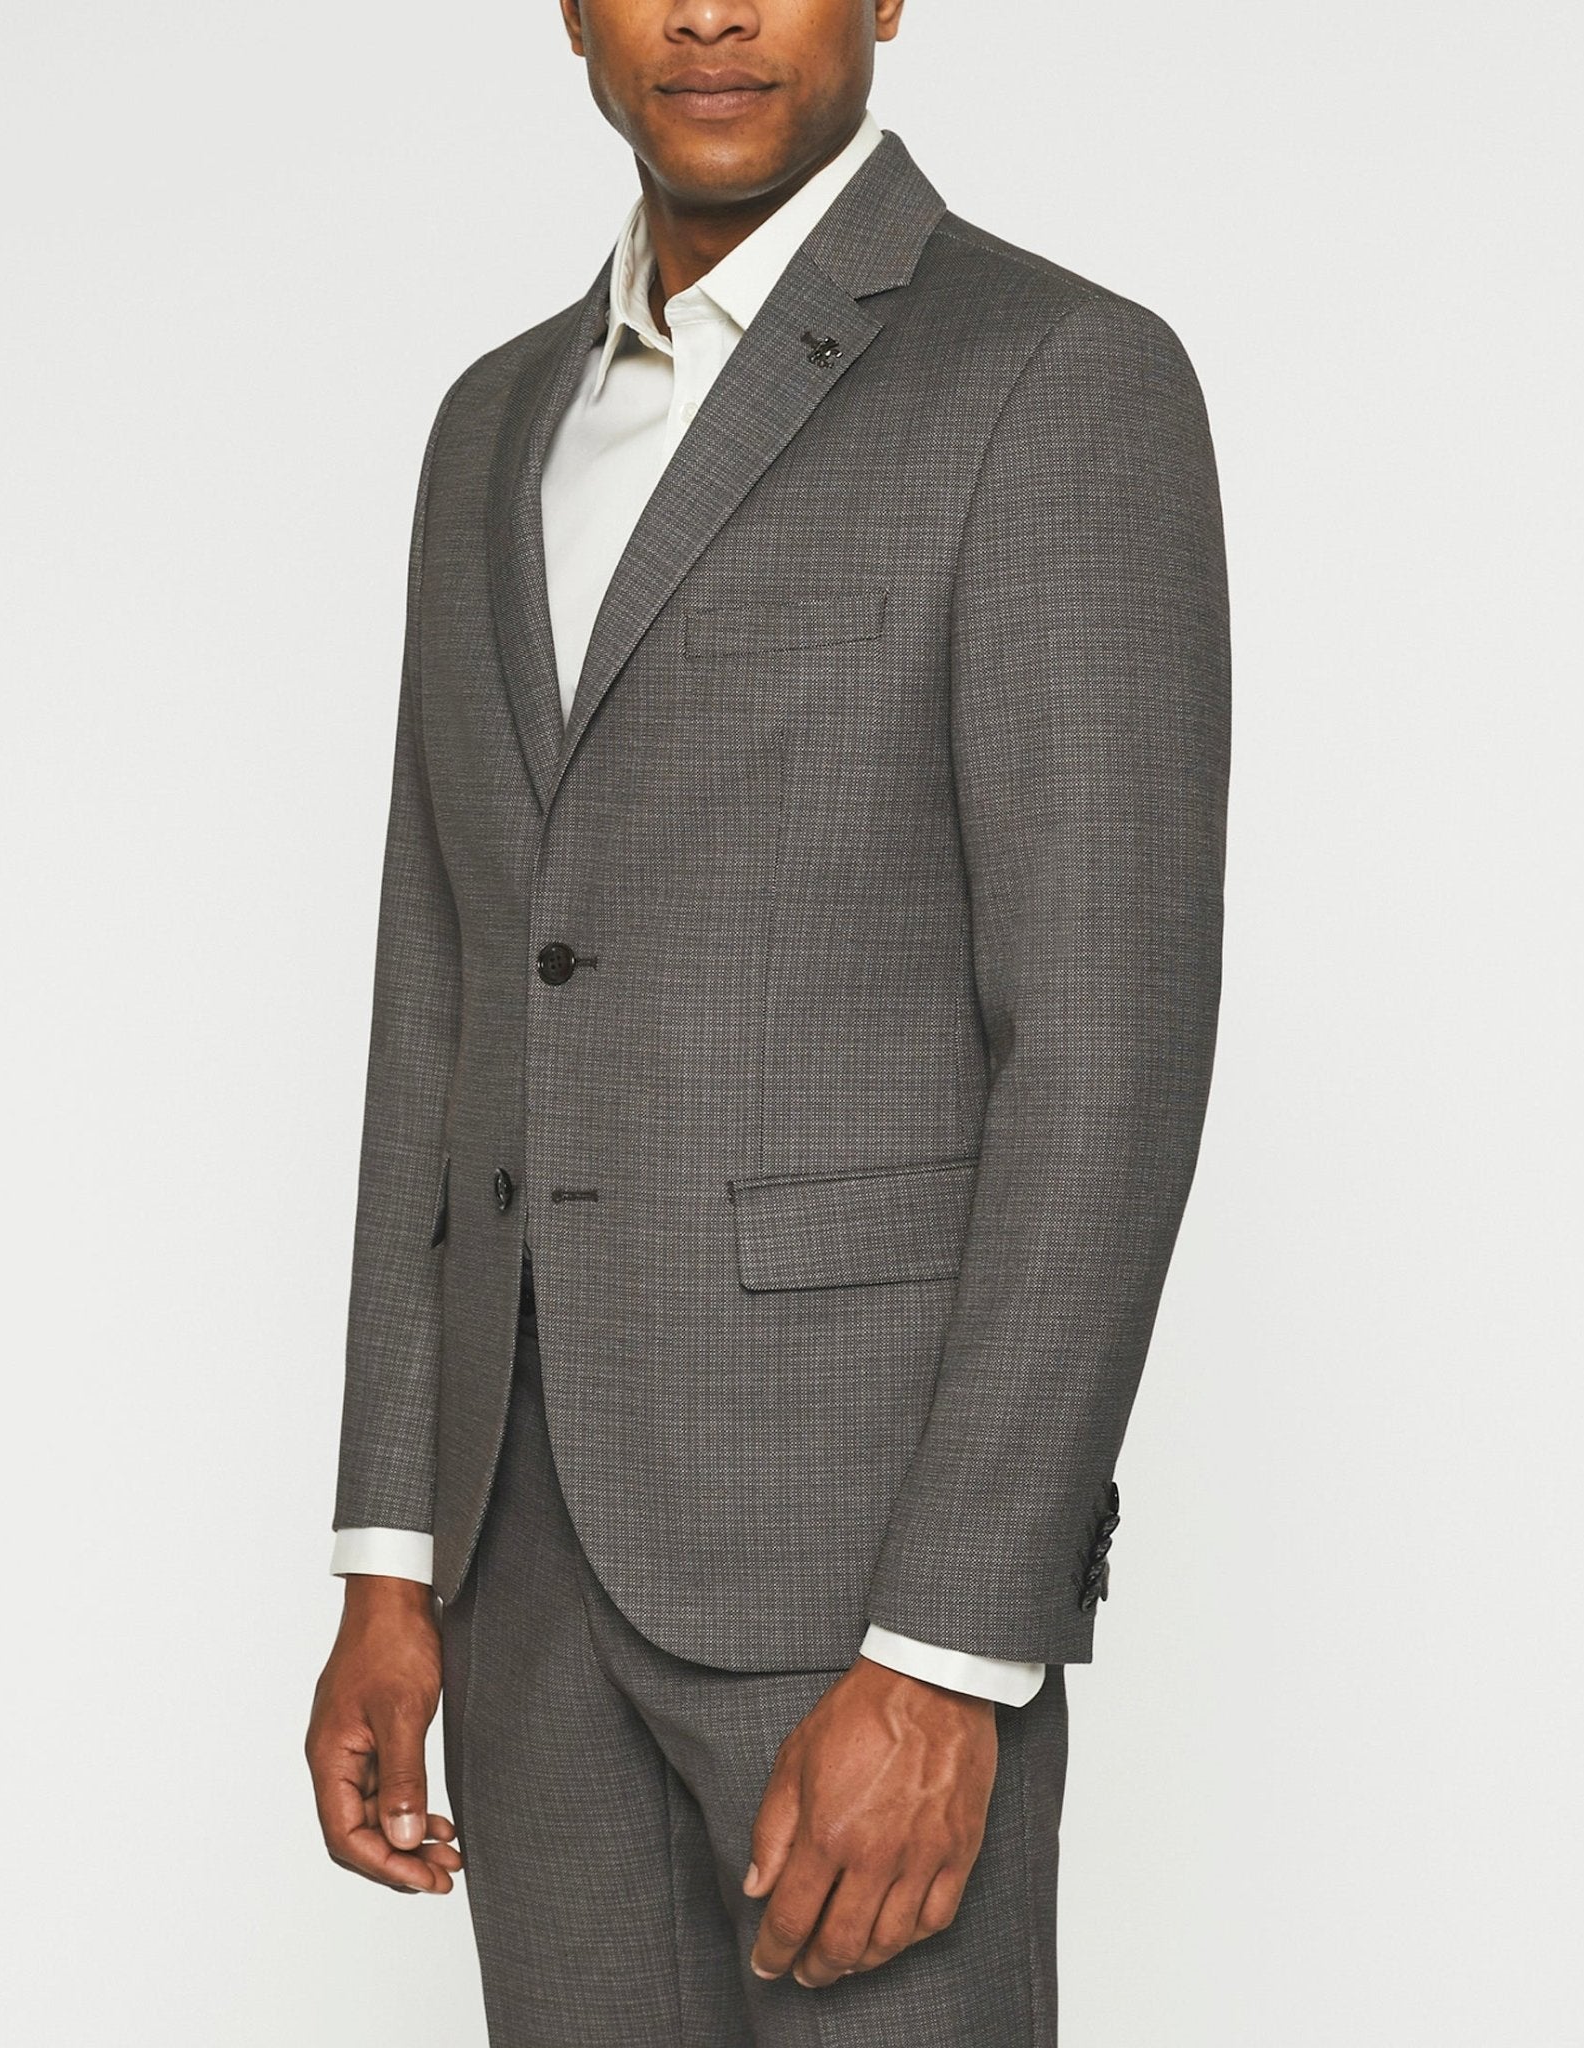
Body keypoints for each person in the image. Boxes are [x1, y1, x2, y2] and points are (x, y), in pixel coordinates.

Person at [305, 2, 1230, 2040]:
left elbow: (1106, 1050)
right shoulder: (490, 425)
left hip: (859, 1585)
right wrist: (390, 1547)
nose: (711, 10)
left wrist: (951, 1651)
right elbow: (441, 985)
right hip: (518, 1572)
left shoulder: (1053, 380)